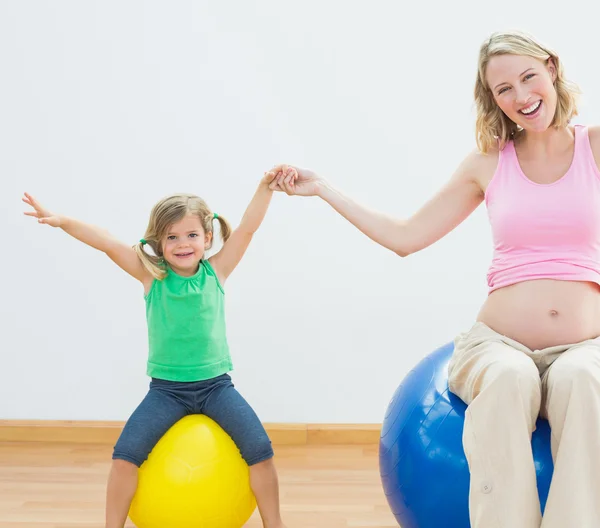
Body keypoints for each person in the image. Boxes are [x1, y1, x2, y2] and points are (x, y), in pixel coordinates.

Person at [270, 30, 600, 528]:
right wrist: (324, 190)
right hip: (499, 343)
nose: (521, 96)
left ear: (551, 68)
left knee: (584, 380)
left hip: (585, 345)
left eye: (528, 76)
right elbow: (406, 236)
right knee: (510, 380)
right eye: (503, 89)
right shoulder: (487, 165)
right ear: (492, 100)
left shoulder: (594, 148)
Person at [22, 171, 290, 528]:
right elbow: (107, 243)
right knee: (124, 458)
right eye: (172, 237)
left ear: (207, 237)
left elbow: (247, 229)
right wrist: (63, 221)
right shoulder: (152, 277)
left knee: (261, 453)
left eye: (192, 235)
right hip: (167, 391)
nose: (183, 244)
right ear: (158, 243)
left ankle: (276, 523)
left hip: (217, 387)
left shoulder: (217, 272)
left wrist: (264, 189)